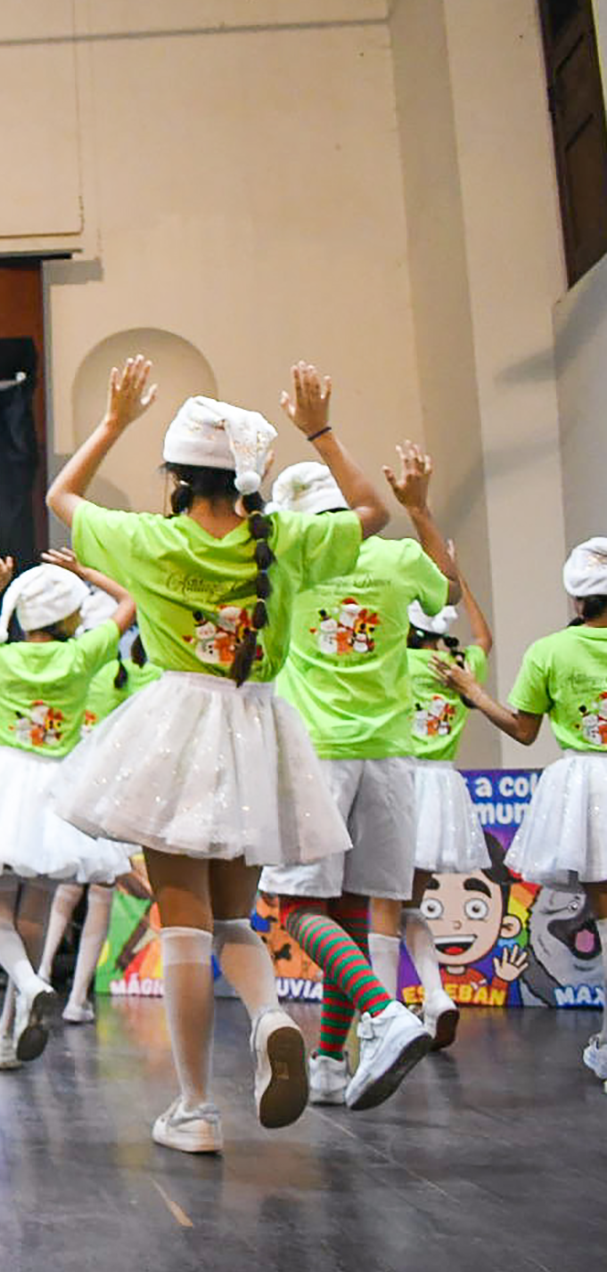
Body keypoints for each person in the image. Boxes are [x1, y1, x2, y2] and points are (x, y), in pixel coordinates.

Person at [48, 358, 387, 1154]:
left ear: (173, 477)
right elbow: (374, 511)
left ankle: (195, 1108)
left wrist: (111, 421)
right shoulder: (288, 538)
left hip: (176, 732)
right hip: (258, 734)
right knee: (236, 916)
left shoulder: (151, 541)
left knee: (185, 930)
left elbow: (60, 498)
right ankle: (270, 1016)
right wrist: (323, 431)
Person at [257, 446, 454, 1109]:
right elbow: (449, 592)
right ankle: (332, 1061)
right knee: (349, 908)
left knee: (296, 907)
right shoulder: (396, 559)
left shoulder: (286, 564)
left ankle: (385, 1013)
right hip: (394, 757)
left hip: (317, 755)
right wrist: (420, 509)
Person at [0, 544, 132, 1070]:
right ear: (66, 614)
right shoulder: (80, 654)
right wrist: (85, 569)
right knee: (34, 909)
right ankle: (16, 1017)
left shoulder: (0, 656)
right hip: (60, 791)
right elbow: (129, 602)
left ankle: (25, 988)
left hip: (5, 787)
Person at [437, 536, 607, 1084]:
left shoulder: (550, 652)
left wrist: (472, 689)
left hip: (587, 789)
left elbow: (523, 731)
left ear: (577, 601)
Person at [40, 595, 155, 1025]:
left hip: (72, 792)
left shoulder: (76, 669)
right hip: (116, 797)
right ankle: (77, 999)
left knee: (63, 892)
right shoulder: (142, 674)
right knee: (101, 896)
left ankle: (42, 975)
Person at [398, 553, 495, 1046]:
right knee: (412, 904)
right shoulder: (461, 666)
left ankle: (390, 1015)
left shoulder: (396, 663)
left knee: (377, 906)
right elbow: (484, 640)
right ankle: (435, 995)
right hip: (441, 787)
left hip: (397, 786)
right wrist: (460, 578)